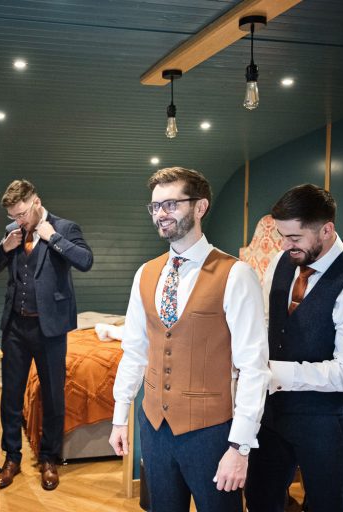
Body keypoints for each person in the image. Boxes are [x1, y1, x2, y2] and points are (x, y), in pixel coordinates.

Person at [109, 167, 270, 512]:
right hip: (153, 429)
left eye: (171, 204)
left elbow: (254, 367)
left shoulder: (235, 275)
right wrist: (120, 416)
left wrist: (240, 448)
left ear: (200, 207)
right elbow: (134, 350)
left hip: (210, 434)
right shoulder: (146, 273)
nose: (160, 214)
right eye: (155, 206)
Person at [244, 184, 343, 512]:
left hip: (329, 421)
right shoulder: (282, 262)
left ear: (327, 230)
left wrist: (271, 372)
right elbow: (270, 321)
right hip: (273, 414)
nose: (285, 246)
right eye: (282, 236)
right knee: (260, 499)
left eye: (294, 238)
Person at [0, 179, 93, 491]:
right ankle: (12, 457)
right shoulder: (12, 232)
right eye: (13, 216)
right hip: (15, 327)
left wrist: (54, 238)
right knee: (11, 395)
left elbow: (86, 261)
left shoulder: (64, 227)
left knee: (53, 395)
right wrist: (2, 247)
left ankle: (49, 457)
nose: (18, 221)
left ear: (36, 202)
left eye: (21, 214)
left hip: (51, 329)